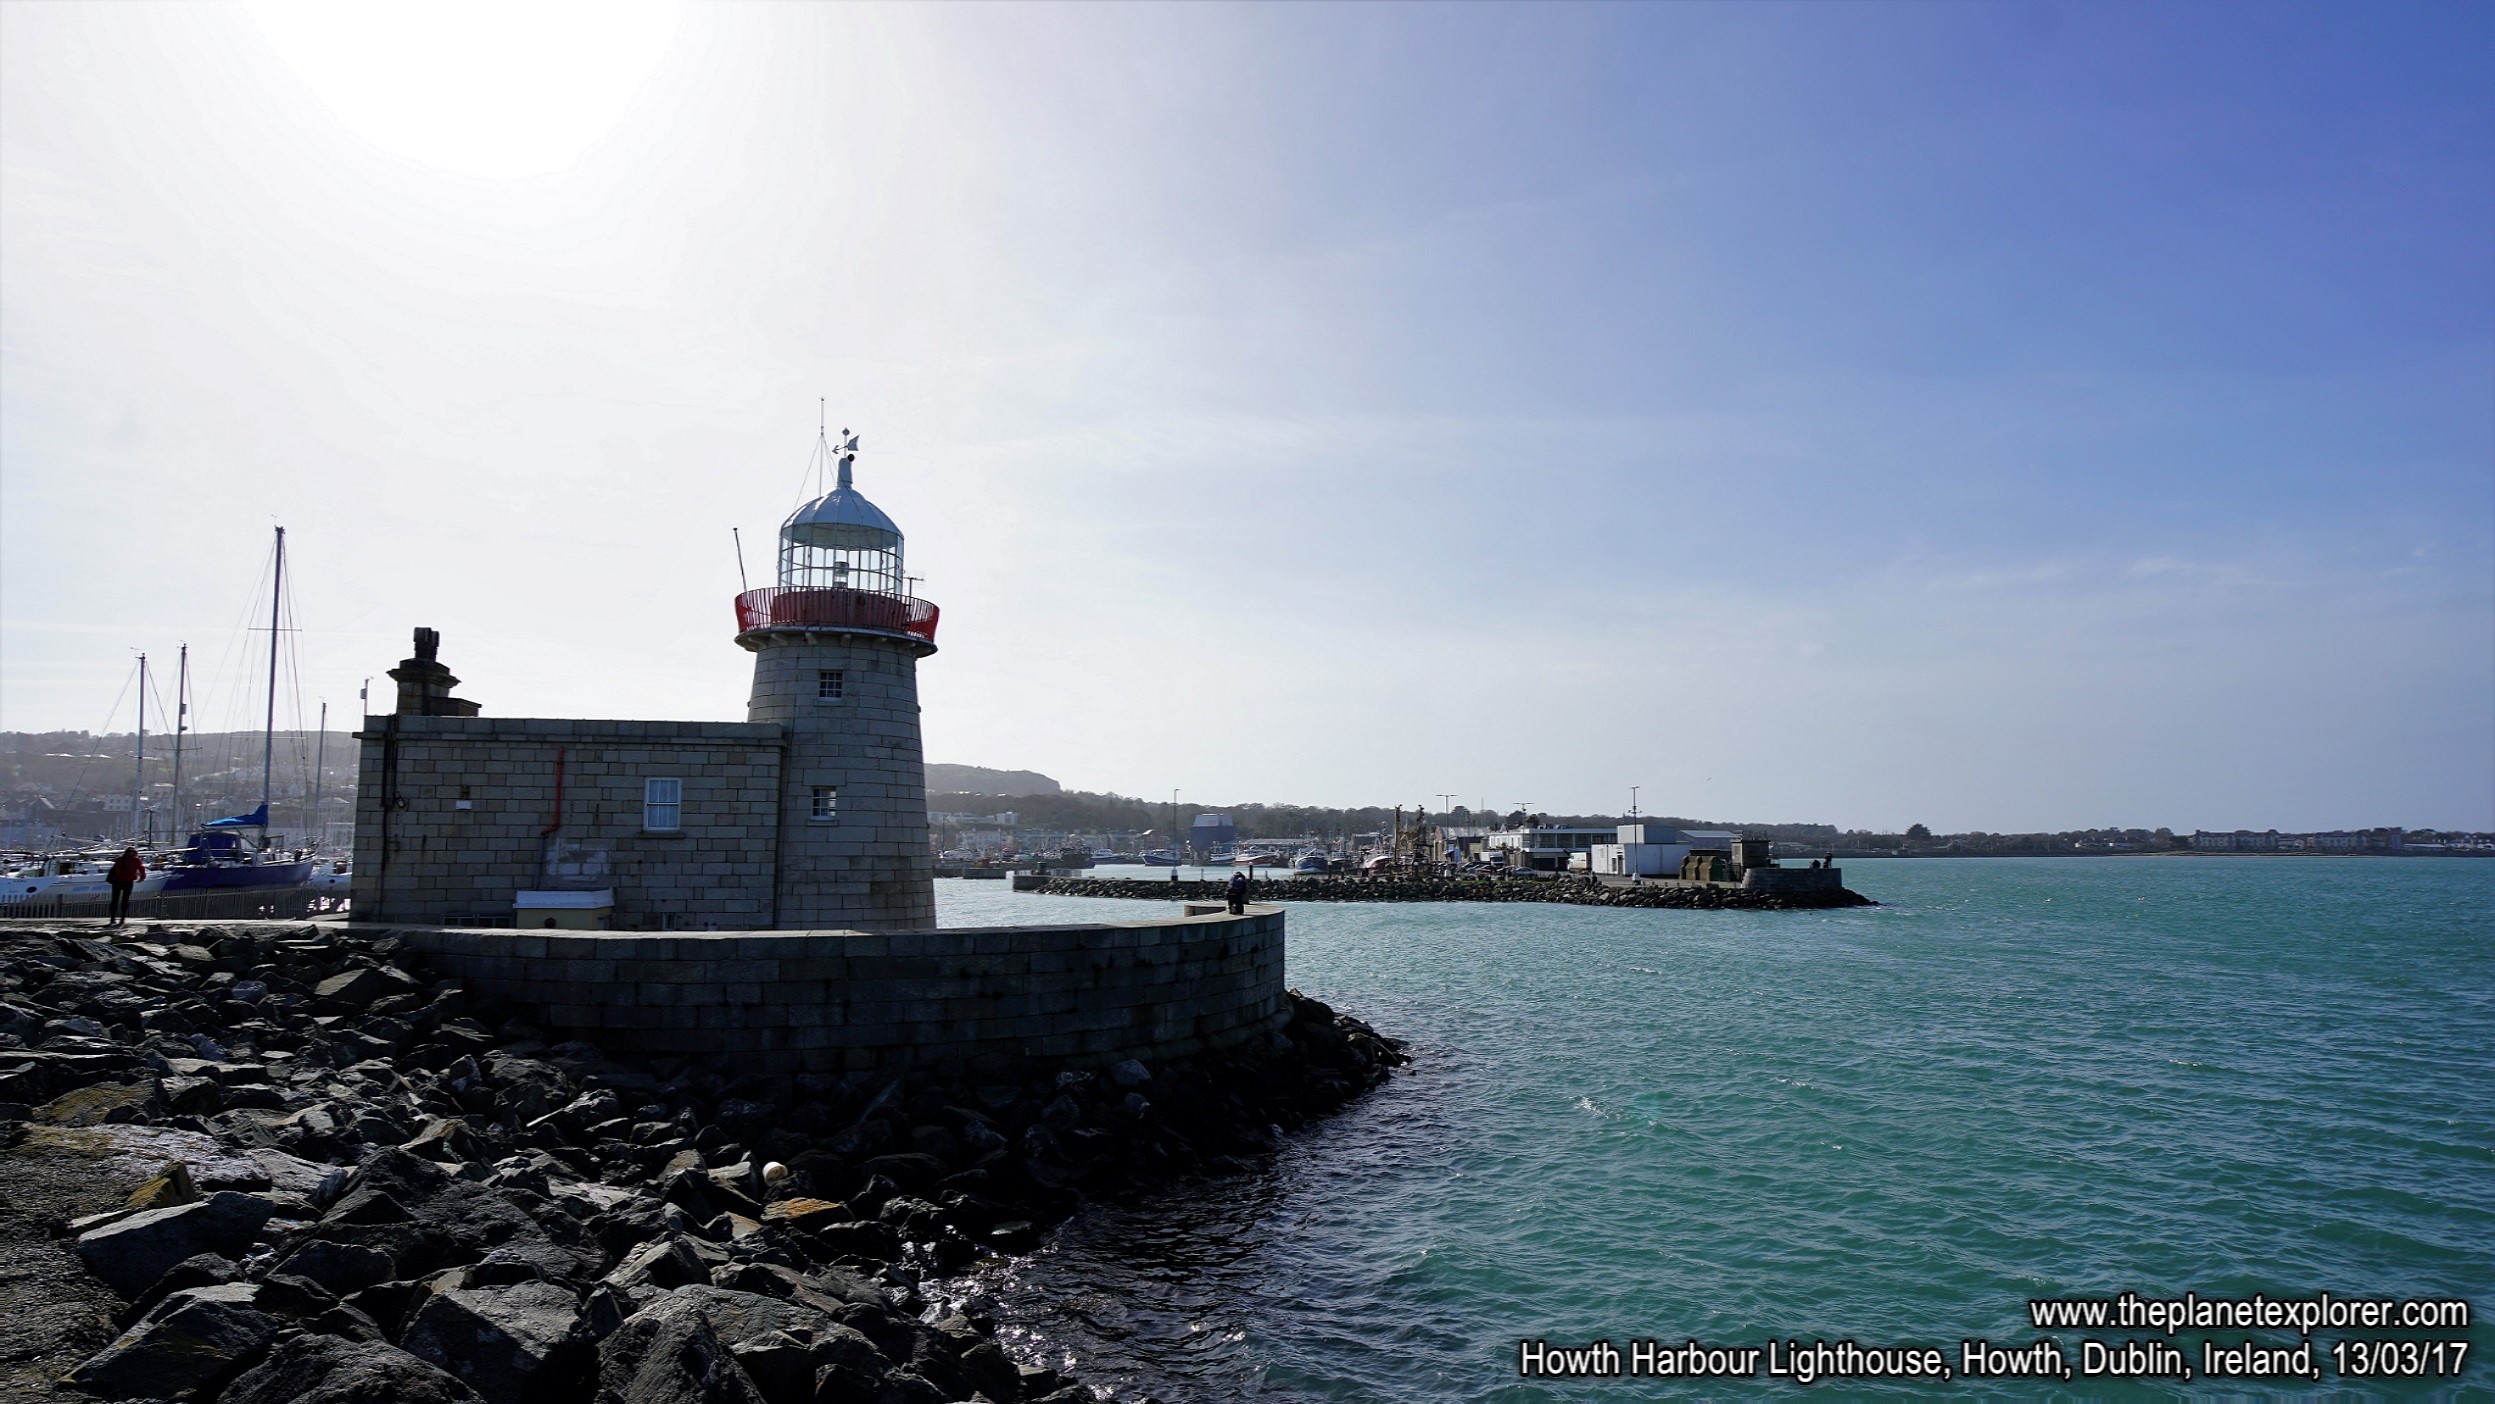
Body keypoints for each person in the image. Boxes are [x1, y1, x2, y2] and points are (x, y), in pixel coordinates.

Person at [106, 845, 145, 926]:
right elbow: (141, 869)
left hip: (117, 881)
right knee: (125, 901)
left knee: (114, 900)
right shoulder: (136, 860)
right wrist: (142, 878)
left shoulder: (119, 859)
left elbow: (116, 869)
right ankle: (122, 919)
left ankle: (112, 919)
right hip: (128, 882)